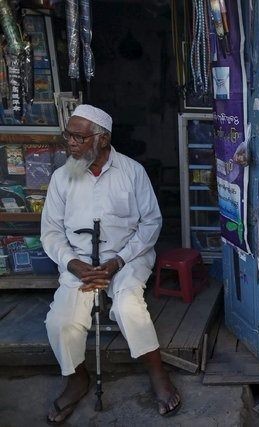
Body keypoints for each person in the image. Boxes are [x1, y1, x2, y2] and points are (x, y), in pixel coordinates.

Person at [40, 105, 181, 423]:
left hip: (127, 257)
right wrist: (72, 262)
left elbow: (150, 224)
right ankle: (77, 379)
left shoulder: (132, 171)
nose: (70, 143)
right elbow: (50, 232)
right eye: (69, 135)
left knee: (129, 306)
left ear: (102, 139)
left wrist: (117, 261)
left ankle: (157, 373)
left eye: (79, 137)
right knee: (60, 321)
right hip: (79, 262)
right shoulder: (62, 177)